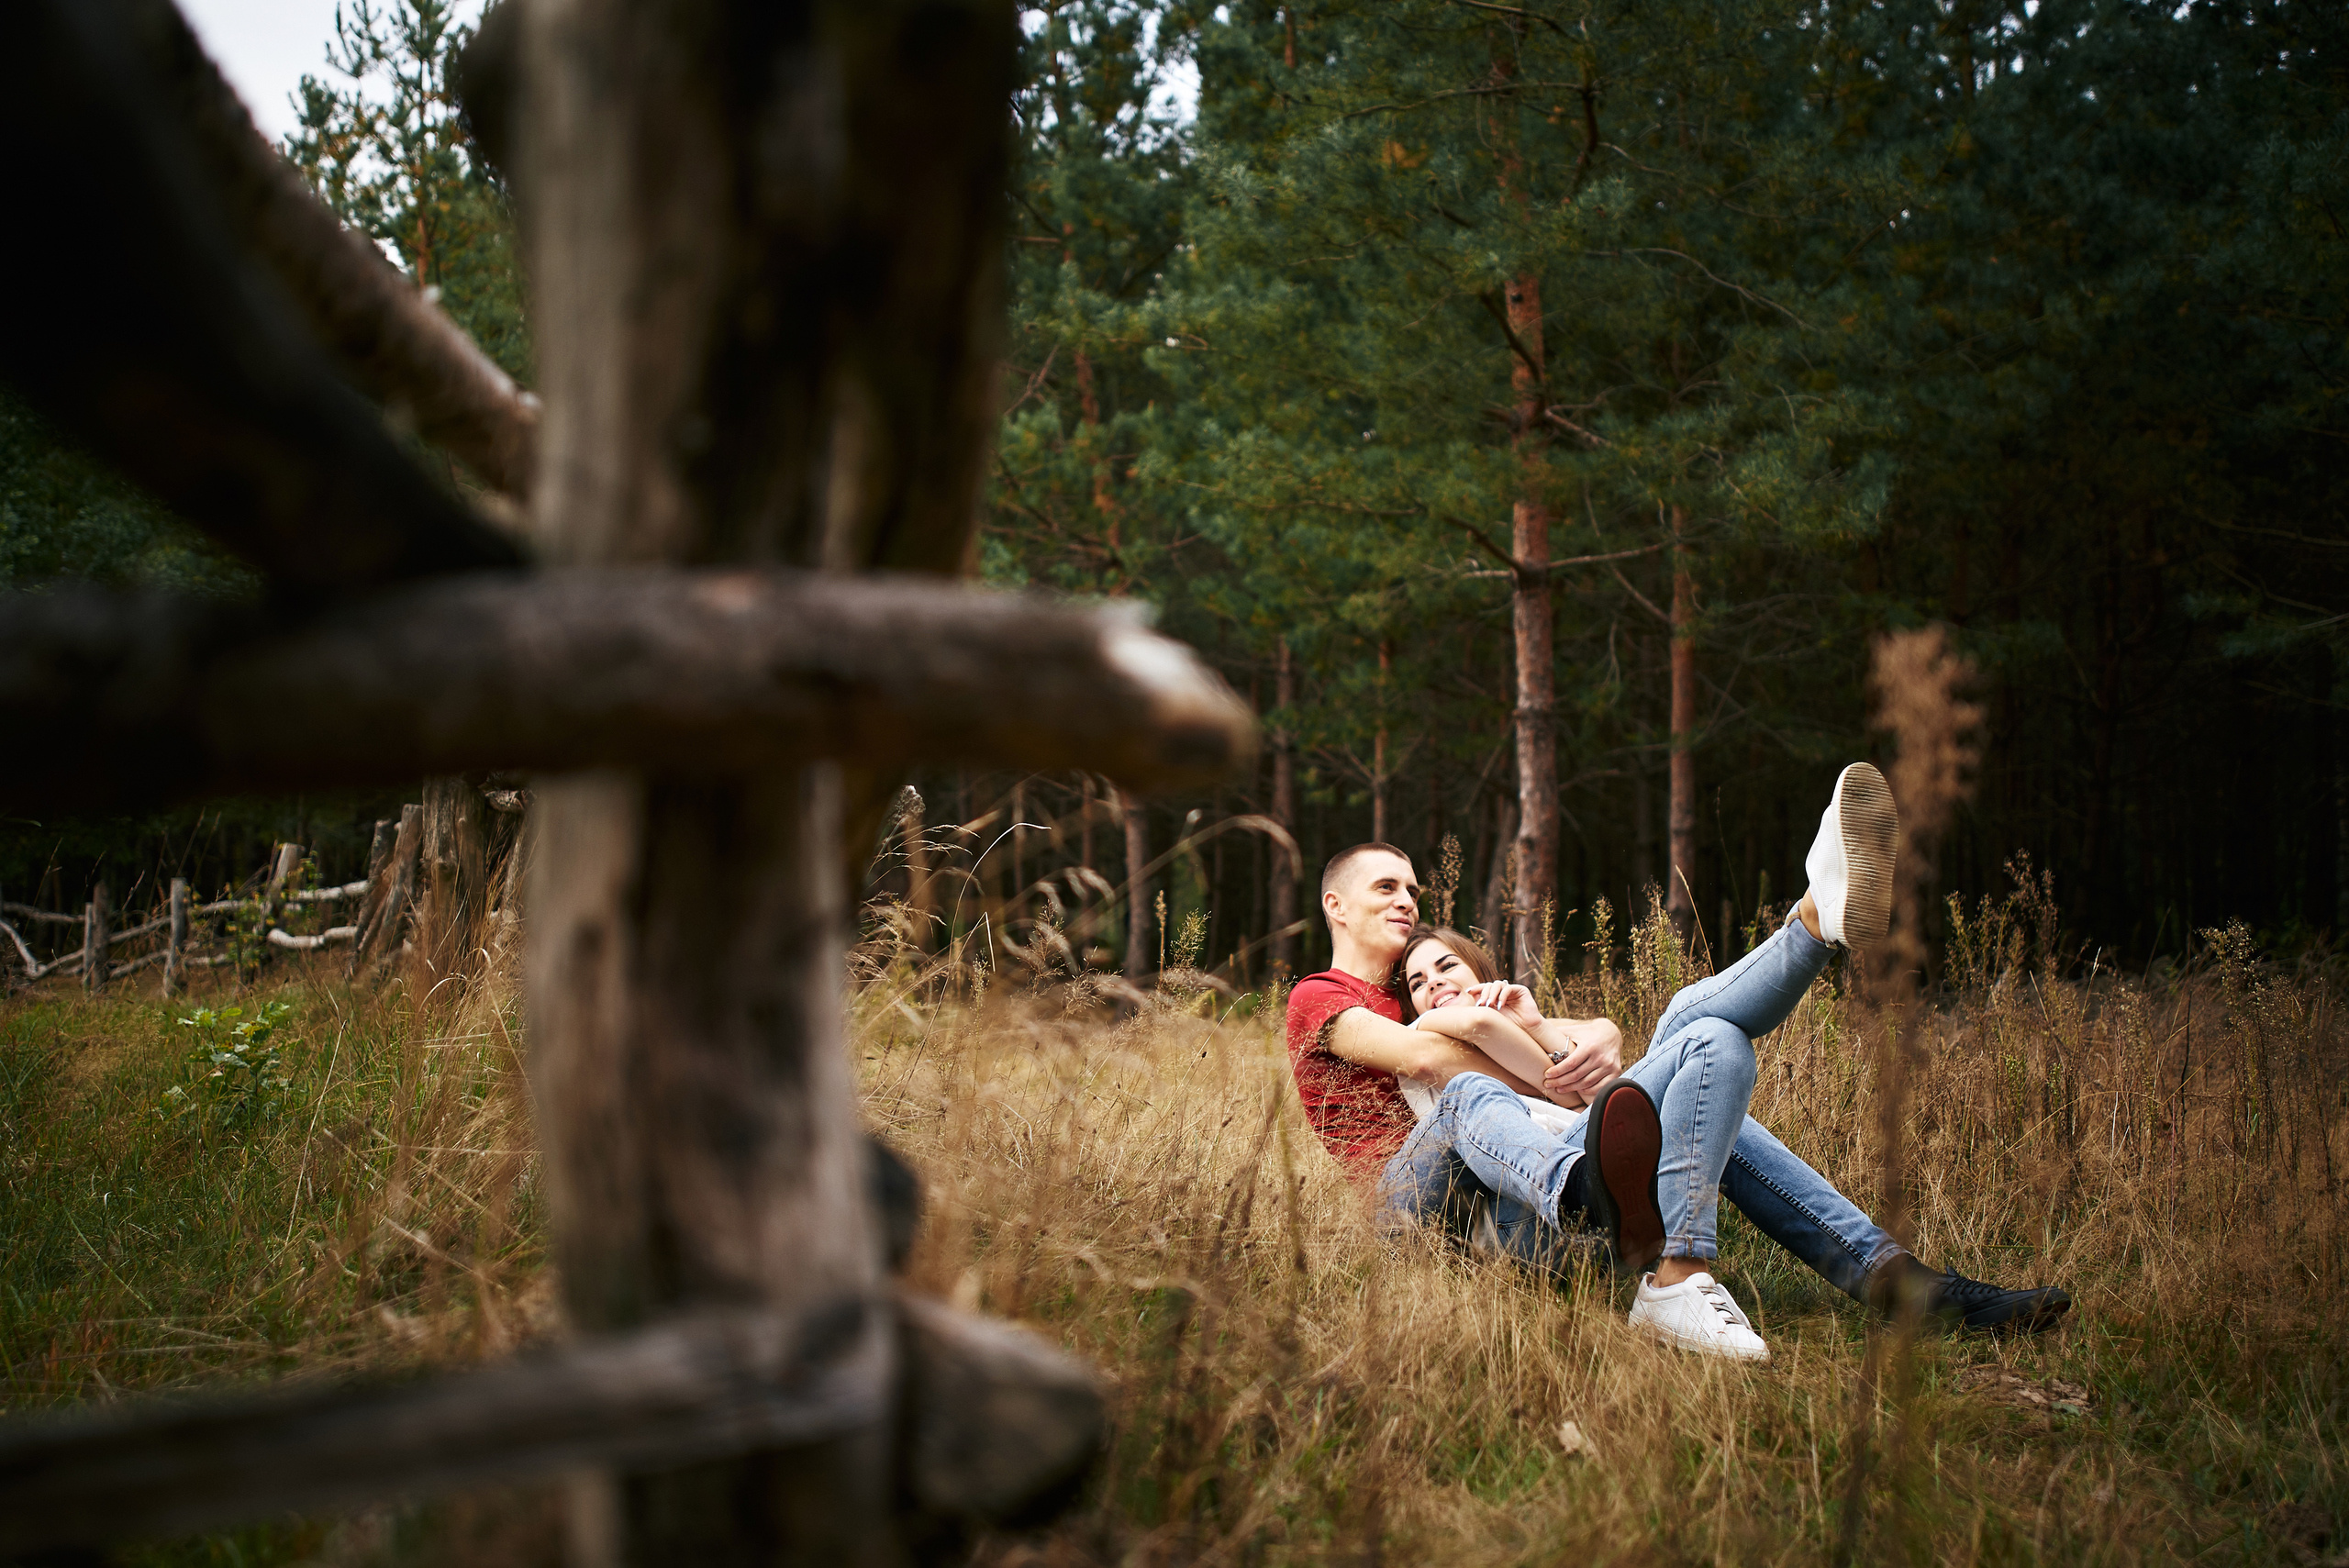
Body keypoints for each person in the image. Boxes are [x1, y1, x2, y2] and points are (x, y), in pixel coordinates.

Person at [1283, 762, 2072, 1362]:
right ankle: (1587, 1184)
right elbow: (1429, 1055)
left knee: (1705, 1037)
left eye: (1414, 888)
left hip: (1518, 1203)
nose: (1409, 901)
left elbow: (1526, 1068)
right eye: (1387, 886)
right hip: (1417, 1220)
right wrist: (1567, 1028)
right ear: (1335, 905)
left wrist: (1582, 1034)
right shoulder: (1323, 996)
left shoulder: (1429, 990)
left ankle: (1815, 926)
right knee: (1461, 1094)